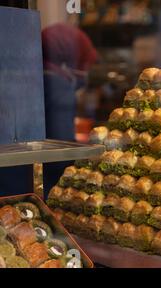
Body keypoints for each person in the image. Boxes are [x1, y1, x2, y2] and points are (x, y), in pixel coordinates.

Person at [41, 23, 98, 194]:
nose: (84, 70)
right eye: (82, 62)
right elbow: (62, 150)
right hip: (50, 184)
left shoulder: (34, 76)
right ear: (67, 57)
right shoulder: (57, 86)